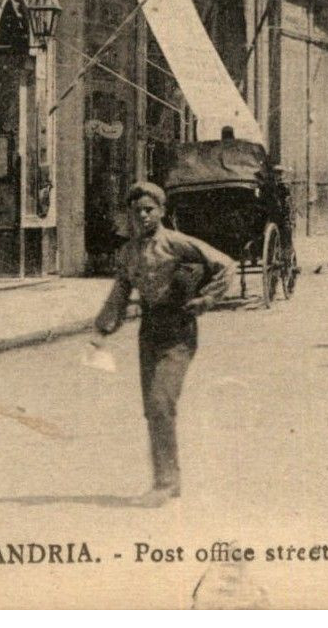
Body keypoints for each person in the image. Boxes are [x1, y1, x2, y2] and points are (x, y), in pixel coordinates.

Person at [94, 182, 235, 506]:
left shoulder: (176, 243)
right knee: (152, 409)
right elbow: (120, 291)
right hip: (150, 331)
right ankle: (169, 479)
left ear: (161, 211)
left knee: (161, 403)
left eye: (149, 209)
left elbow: (225, 264)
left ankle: (165, 484)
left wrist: (205, 299)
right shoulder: (128, 252)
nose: (143, 216)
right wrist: (102, 328)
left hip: (179, 332)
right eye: (137, 210)